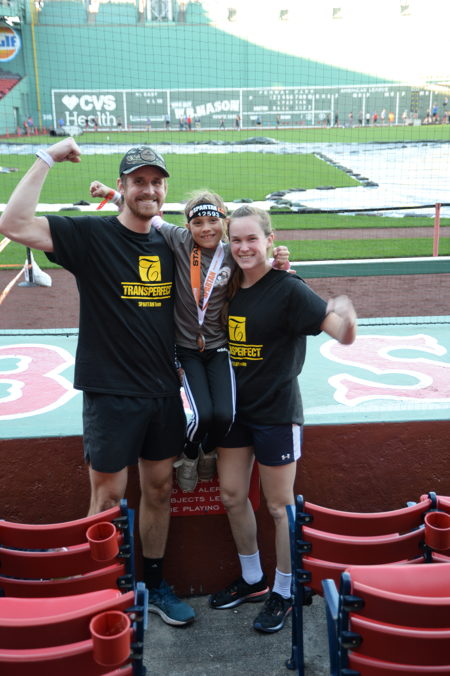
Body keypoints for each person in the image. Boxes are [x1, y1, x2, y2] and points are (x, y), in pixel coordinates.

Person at [0, 137, 196, 628]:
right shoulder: (91, 235)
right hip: (110, 392)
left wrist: (280, 264)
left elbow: (231, 257)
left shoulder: (171, 242)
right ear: (122, 186)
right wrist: (47, 156)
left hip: (163, 391)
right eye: (138, 181)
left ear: (164, 189)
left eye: (156, 182)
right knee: (107, 498)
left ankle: (154, 585)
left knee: (160, 491)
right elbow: (14, 224)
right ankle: (100, 590)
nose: (149, 190)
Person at [209, 206, 357, 633]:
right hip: (235, 411)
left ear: (269, 240)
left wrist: (347, 313)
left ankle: (286, 590)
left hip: (276, 412)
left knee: (279, 506)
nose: (243, 248)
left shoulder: (289, 287)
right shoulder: (227, 284)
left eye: (252, 239)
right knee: (232, 496)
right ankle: (253, 578)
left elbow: (342, 333)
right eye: (236, 240)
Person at [88, 184, 291, 492]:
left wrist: (281, 263)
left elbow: (263, 269)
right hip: (186, 349)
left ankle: (208, 450)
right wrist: (111, 194)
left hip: (219, 347)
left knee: (225, 415)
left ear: (224, 223)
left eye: (213, 221)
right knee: (202, 415)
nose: (206, 228)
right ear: (187, 226)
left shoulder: (233, 253)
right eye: (198, 222)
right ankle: (191, 453)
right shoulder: (180, 240)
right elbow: (145, 215)